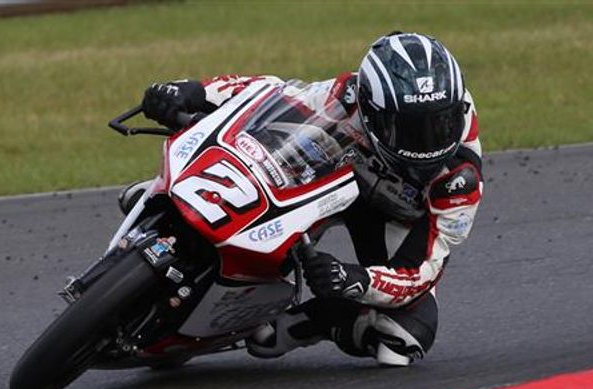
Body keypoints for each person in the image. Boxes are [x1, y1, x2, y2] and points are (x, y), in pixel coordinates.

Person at [135, 32, 482, 366]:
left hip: (398, 215)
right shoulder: (349, 96)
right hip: (339, 173)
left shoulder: (460, 178)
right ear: (371, 108)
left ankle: (302, 322)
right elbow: (269, 93)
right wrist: (193, 91)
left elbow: (421, 272)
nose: (426, 143)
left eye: (440, 124)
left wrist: (353, 279)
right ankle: (167, 192)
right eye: (407, 129)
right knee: (262, 139)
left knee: (405, 337)